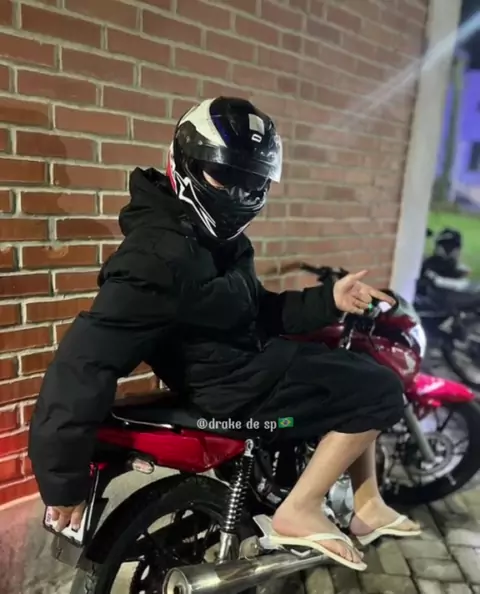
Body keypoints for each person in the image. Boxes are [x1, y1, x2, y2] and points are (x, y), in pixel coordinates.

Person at [29, 97, 420, 570]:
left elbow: (255, 310)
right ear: (186, 164)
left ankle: (367, 503)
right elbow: (84, 364)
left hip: (246, 366)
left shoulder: (211, 239)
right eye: (224, 175)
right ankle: (299, 509)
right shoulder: (156, 257)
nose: (237, 193)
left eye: (252, 181)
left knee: (358, 375)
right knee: (380, 388)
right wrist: (62, 480)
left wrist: (328, 300)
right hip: (236, 388)